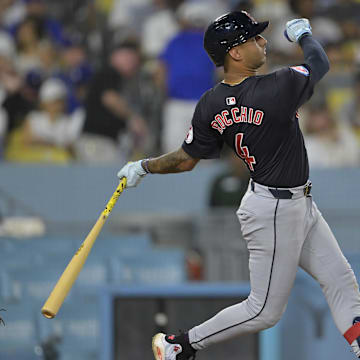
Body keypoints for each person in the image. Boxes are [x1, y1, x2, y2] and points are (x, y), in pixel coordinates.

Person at [116, 11, 360, 360]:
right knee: (263, 311)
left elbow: (186, 160)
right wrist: (304, 34)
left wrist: (145, 165)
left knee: (339, 277)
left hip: (288, 201)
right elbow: (319, 61)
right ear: (234, 52)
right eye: (253, 38)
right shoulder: (277, 86)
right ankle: (179, 346)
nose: (262, 42)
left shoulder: (211, 102)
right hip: (275, 209)